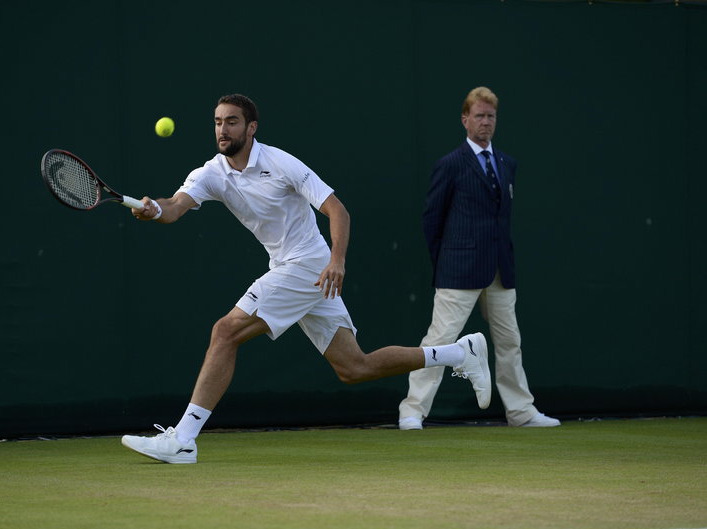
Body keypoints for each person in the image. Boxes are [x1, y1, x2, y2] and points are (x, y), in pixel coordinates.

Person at [121, 93, 492, 464]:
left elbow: (337, 210)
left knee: (225, 332)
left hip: (309, 265)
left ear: (251, 128)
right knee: (354, 367)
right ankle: (460, 352)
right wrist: (154, 210)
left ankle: (183, 439)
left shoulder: (280, 163)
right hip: (292, 269)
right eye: (218, 122)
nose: (222, 129)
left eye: (232, 121)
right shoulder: (210, 173)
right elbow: (173, 207)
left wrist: (337, 261)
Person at [397, 86, 560, 431]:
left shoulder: (506, 164)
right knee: (438, 342)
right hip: (458, 271)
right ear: (465, 120)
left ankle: (521, 411)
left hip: (501, 270)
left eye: (491, 116)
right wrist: (445, 263)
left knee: (509, 341)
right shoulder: (450, 165)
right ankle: (412, 411)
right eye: (480, 116)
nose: (486, 122)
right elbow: (432, 221)